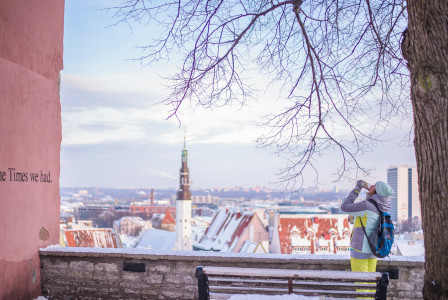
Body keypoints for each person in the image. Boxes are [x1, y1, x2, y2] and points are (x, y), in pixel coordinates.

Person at [341, 180, 394, 273]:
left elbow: (345, 207)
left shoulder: (367, 206)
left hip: (360, 249)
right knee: (370, 283)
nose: (371, 185)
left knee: (361, 284)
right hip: (373, 248)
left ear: (377, 191)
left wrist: (357, 189)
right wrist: (370, 195)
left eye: (374, 186)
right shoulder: (383, 207)